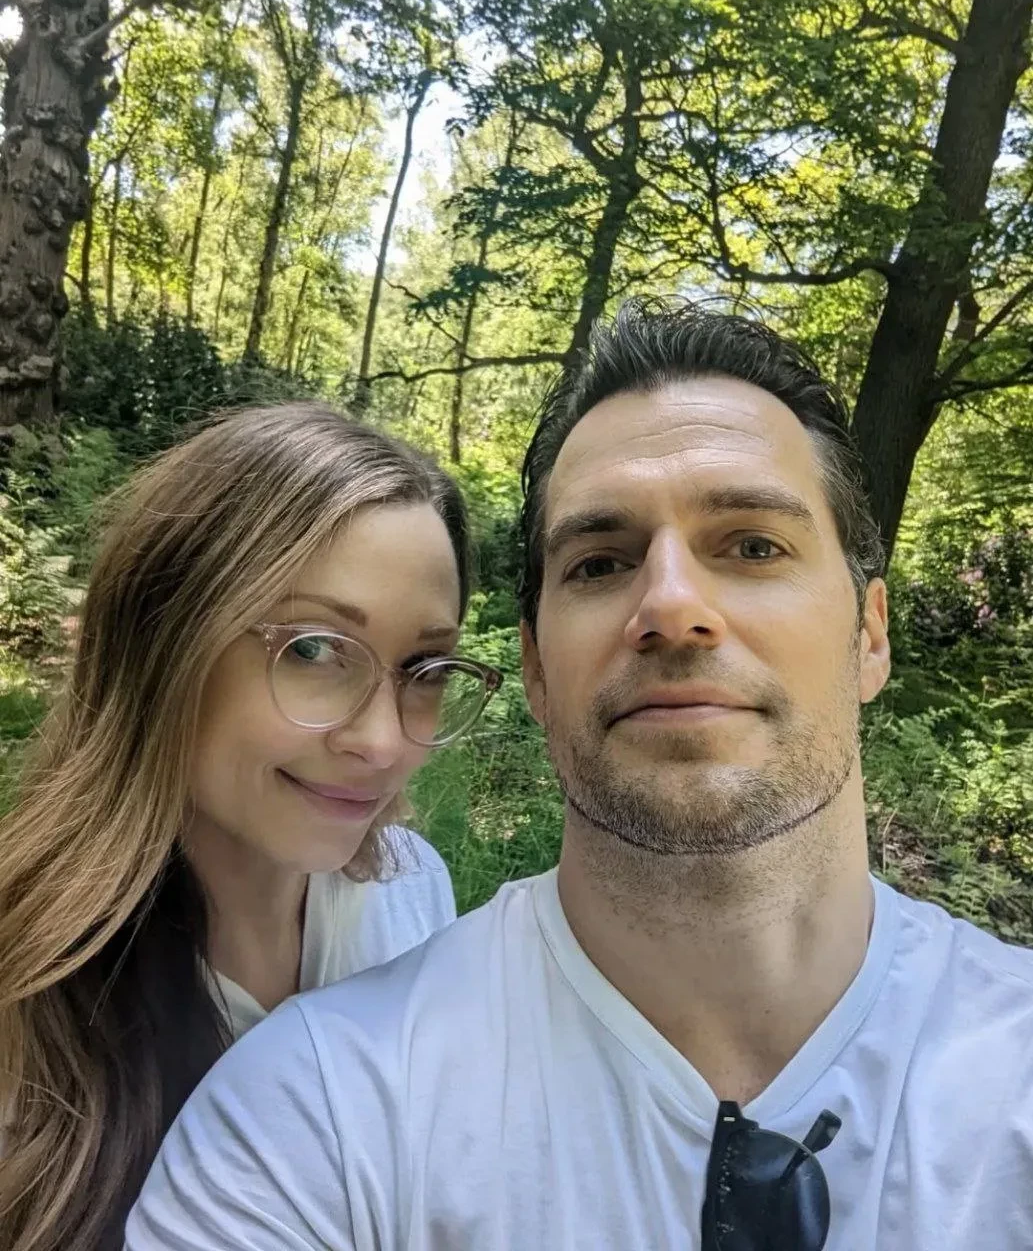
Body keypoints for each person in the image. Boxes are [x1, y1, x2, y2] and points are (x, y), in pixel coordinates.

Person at [127, 302, 1033, 1251]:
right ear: (532, 668)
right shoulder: (310, 1115)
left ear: (870, 634)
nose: (671, 605)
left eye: (753, 545)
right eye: (600, 563)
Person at [0, 403, 501, 1251]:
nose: (383, 742)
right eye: (313, 650)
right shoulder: (29, 992)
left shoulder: (413, 891)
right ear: (163, 648)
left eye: (423, 669)